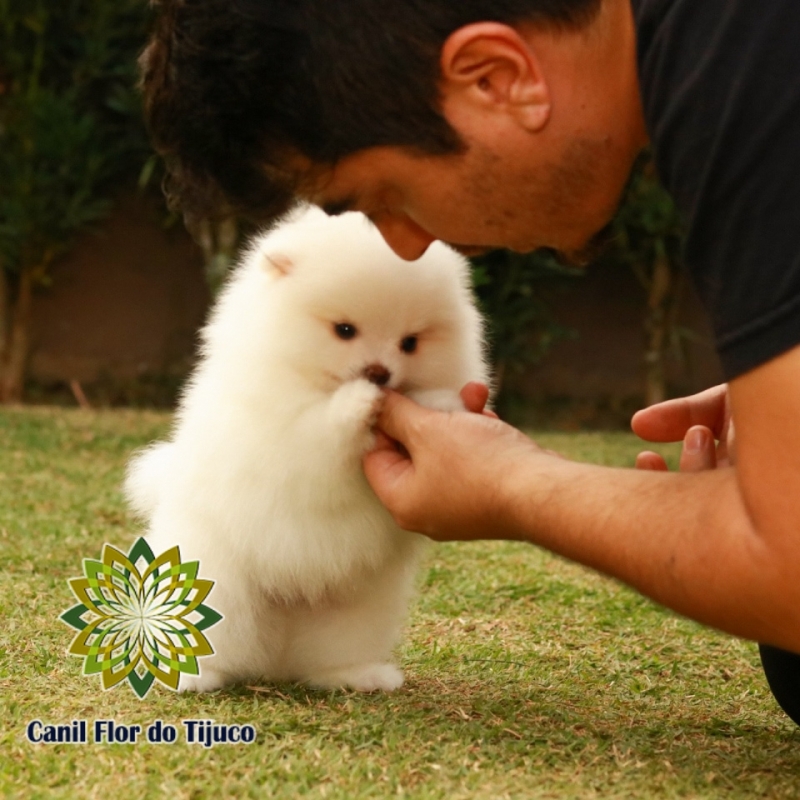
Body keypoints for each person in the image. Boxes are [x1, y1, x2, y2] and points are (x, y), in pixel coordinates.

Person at [140, 0, 800, 725]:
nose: (406, 246)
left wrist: (517, 486)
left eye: (382, 198)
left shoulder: (751, 77)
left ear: (495, 78)